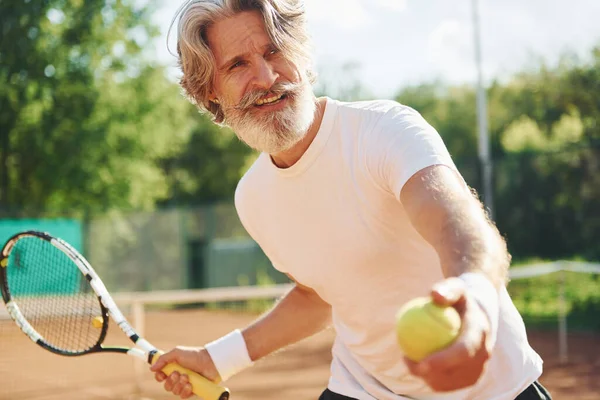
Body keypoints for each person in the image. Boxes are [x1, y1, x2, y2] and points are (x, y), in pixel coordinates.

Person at [150, 1, 550, 399]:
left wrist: (475, 299)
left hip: (495, 390)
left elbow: (457, 225)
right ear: (210, 93)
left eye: (275, 50)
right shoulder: (252, 198)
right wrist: (217, 359)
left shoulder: (386, 130)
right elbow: (317, 296)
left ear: (302, 56)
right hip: (364, 389)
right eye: (237, 64)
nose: (266, 76)